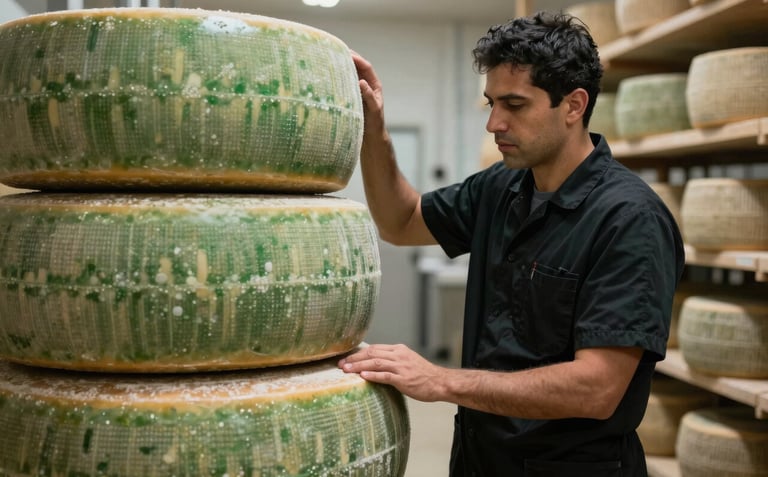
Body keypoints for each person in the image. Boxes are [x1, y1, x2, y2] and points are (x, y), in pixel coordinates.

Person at [338, 10, 685, 477]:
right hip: (481, 460)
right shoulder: (501, 187)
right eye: (491, 104)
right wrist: (374, 131)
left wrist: (443, 381)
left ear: (574, 105)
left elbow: (598, 389)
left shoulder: (629, 219)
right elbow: (401, 221)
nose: (494, 123)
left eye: (515, 105)